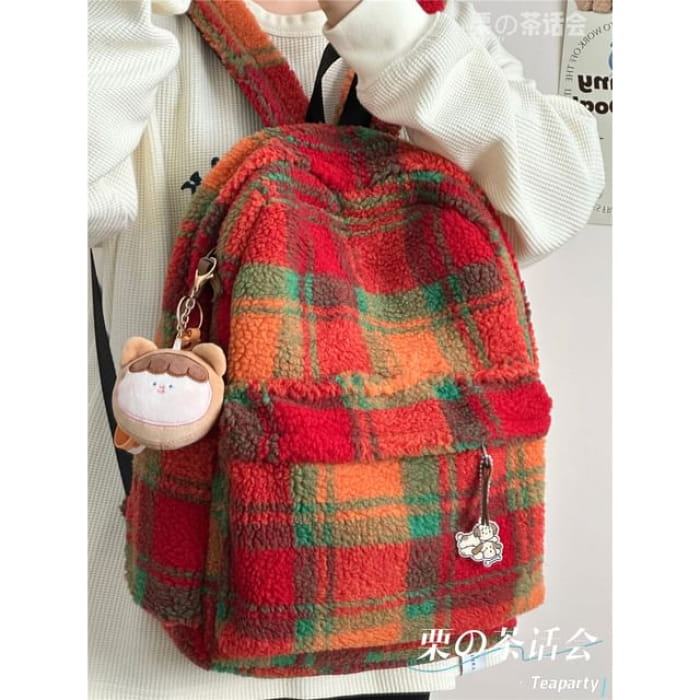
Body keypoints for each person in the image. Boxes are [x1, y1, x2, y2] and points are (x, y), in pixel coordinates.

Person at [88, 1, 607, 699]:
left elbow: (558, 196)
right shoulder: (135, 23)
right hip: (147, 660)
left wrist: (379, 19)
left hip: (403, 615)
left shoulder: (430, 19)